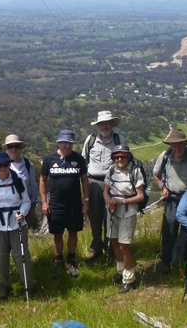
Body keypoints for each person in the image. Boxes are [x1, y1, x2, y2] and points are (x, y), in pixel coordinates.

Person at [152, 128, 187, 273]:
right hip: (172, 198)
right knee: (169, 230)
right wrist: (162, 187)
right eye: (173, 145)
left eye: (180, 145)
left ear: (185, 144)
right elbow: (156, 173)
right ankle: (167, 260)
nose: (177, 148)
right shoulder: (165, 156)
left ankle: (186, 260)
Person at [0, 152, 35, 300]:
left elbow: (26, 201)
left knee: (21, 256)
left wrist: (22, 213)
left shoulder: (19, 180)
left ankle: (28, 286)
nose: (2, 168)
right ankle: (4, 286)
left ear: (9, 164)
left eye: (5, 165)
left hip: (17, 223)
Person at [39, 129, 90, 278]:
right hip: (55, 205)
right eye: (64, 143)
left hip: (74, 204)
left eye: (70, 143)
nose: (67, 146)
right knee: (57, 234)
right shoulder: (49, 159)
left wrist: (86, 201)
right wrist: (44, 202)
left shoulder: (79, 159)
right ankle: (58, 260)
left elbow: (85, 180)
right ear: (59, 142)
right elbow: (42, 180)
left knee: (73, 232)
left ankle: (72, 260)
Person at [82, 111, 128, 262]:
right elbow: (83, 161)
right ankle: (96, 248)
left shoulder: (119, 140)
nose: (104, 126)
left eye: (107, 123)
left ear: (112, 124)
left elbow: (126, 161)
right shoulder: (91, 140)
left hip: (112, 184)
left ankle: (111, 250)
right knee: (94, 218)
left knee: (110, 217)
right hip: (93, 183)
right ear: (98, 125)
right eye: (101, 123)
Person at [102, 145, 145, 293]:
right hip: (113, 210)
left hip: (128, 211)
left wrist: (122, 202)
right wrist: (109, 204)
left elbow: (141, 196)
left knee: (124, 246)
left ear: (128, 156)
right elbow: (106, 191)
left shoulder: (135, 171)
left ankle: (129, 279)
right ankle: (120, 272)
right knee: (114, 241)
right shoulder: (111, 170)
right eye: (117, 157)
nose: (120, 159)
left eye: (123, 156)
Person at [2, 134, 41, 225]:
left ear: (20, 148)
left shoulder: (28, 165)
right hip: (5, 206)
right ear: (6, 148)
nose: (13, 149)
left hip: (24, 206)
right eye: (10, 146)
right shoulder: (0, 165)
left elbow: (33, 186)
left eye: (16, 146)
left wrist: (32, 207)